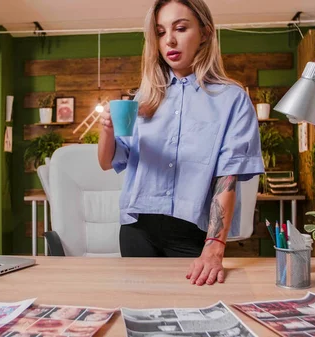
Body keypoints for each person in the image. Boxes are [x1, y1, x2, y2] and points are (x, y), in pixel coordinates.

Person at [97, 0, 264, 286]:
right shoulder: (144, 99)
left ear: (206, 32)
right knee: (140, 316)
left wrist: (214, 247)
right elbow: (107, 162)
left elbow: (228, 180)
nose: (169, 40)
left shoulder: (232, 100)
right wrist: (107, 130)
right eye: (160, 32)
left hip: (192, 235)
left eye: (181, 28)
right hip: (137, 229)